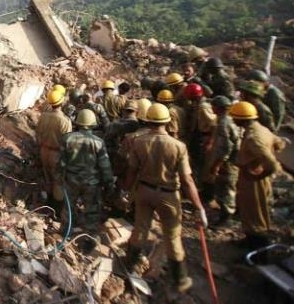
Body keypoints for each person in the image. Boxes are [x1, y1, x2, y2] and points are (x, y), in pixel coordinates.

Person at [124, 103, 206, 293]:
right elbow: (187, 180)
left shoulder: (139, 142)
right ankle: (180, 279)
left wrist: (126, 190)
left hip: (144, 191)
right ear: (168, 121)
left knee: (140, 229)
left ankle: (130, 265)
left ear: (148, 120)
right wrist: (198, 207)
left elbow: (132, 170)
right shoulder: (178, 146)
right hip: (169, 195)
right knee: (172, 235)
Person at [230, 101, 285, 250]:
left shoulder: (253, 138)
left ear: (242, 119)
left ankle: (258, 252)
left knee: (256, 216)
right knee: (248, 213)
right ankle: (249, 241)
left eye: (235, 118)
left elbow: (272, 165)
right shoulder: (262, 129)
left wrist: (256, 176)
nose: (233, 121)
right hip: (255, 175)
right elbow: (279, 144)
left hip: (253, 180)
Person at [59, 109, 113, 251]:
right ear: (93, 124)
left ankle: (65, 234)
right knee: (92, 212)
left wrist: (59, 178)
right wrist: (109, 184)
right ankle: (89, 243)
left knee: (68, 208)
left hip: (71, 180)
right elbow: (105, 166)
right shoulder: (99, 142)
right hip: (92, 183)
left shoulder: (67, 139)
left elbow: (61, 163)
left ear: (77, 122)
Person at [203, 96, 240, 228]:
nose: (211, 108)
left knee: (227, 189)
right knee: (225, 187)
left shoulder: (224, 123)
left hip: (228, 162)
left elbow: (226, 148)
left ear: (218, 108)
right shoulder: (227, 120)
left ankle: (226, 218)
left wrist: (217, 165)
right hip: (229, 160)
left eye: (213, 106)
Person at [36, 90, 72, 206]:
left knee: (47, 176)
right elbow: (68, 142)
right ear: (61, 103)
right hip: (56, 154)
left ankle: (47, 201)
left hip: (43, 150)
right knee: (58, 181)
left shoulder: (43, 116)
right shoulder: (65, 121)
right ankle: (56, 206)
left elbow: (38, 133)